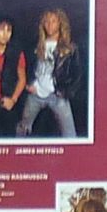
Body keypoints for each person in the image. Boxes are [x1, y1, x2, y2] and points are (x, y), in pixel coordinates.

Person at [17, 9, 83, 139]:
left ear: (60, 23)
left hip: (57, 96)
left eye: (53, 21)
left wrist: (65, 92)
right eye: (46, 21)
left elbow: (78, 74)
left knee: (70, 134)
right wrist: (29, 84)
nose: (49, 25)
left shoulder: (70, 48)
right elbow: (25, 66)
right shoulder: (35, 45)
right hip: (35, 94)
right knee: (22, 130)